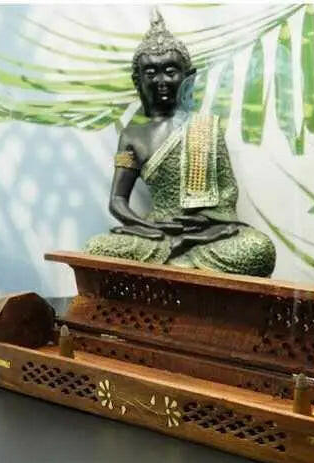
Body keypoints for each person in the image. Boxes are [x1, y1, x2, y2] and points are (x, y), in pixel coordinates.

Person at [85, 8, 276, 277]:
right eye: (151, 72)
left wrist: (203, 227)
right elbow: (117, 200)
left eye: (170, 71)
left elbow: (227, 194)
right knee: (97, 247)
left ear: (189, 77)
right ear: (137, 80)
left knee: (258, 248)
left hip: (206, 235)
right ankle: (181, 258)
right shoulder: (131, 136)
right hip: (156, 234)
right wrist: (149, 227)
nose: (161, 81)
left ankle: (180, 255)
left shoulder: (206, 128)